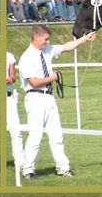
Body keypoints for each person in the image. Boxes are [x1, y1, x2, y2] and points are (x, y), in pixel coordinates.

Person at [19, 24, 97, 179]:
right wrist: (53, 78)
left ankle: (63, 168)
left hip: (48, 97)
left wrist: (85, 38)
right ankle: (28, 170)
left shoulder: (47, 50)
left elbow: (67, 47)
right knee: (36, 136)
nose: (48, 42)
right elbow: (33, 82)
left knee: (57, 135)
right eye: (45, 39)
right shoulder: (26, 57)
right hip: (35, 98)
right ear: (36, 38)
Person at [6, 51, 26, 178]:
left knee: (16, 130)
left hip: (8, 97)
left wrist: (10, 79)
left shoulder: (9, 56)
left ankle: (20, 161)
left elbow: (13, 77)